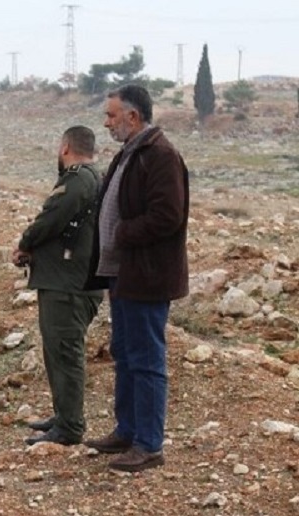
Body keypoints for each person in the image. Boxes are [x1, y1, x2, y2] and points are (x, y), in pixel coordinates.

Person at [84, 84, 189, 472]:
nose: (107, 122)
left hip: (147, 277)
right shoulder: (131, 153)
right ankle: (126, 431)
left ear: (133, 116)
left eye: (111, 115)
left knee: (146, 360)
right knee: (125, 354)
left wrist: (122, 233)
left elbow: (168, 216)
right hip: (123, 276)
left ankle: (148, 444)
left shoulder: (159, 155)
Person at [12, 126, 103, 446]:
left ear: (65, 147)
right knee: (58, 352)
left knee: (65, 352)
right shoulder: (93, 177)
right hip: (71, 280)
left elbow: (51, 217)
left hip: (69, 283)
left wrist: (25, 243)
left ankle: (70, 427)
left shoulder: (78, 179)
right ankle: (63, 415)